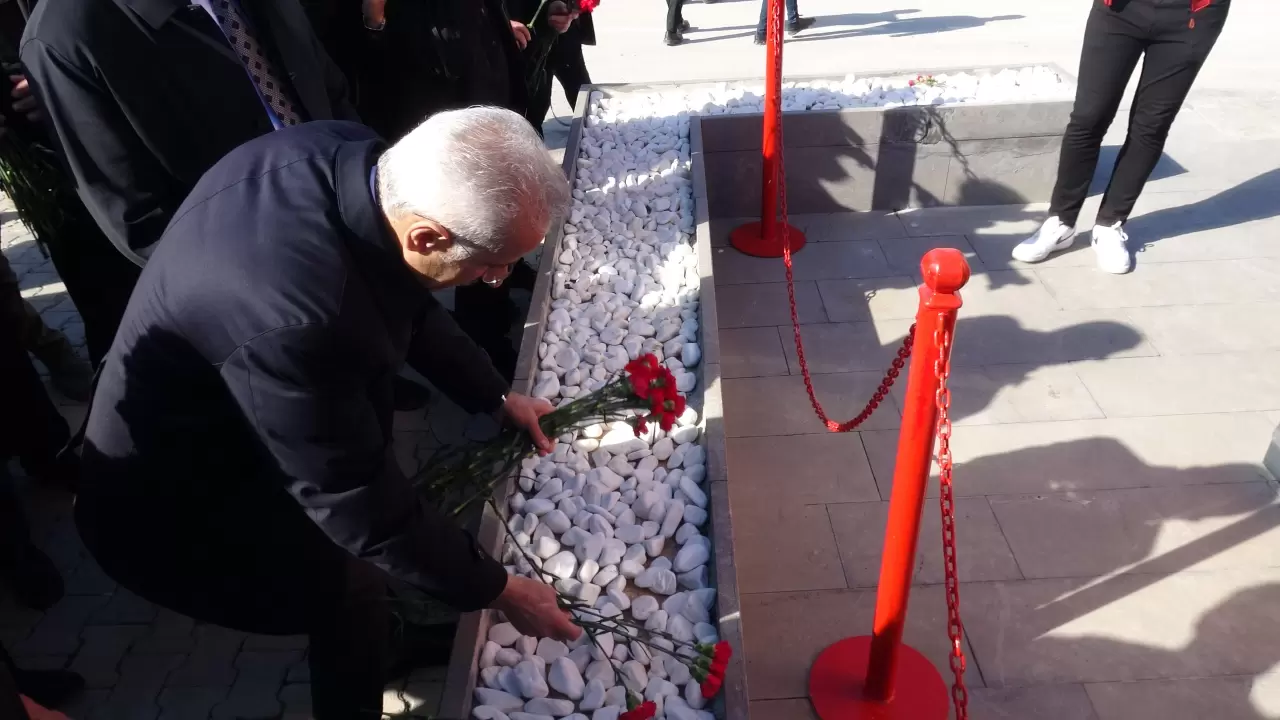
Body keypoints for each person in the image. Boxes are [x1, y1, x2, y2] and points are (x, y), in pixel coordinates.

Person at [75, 108, 581, 719]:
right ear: (427, 235)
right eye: (492, 264)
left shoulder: (350, 158)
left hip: (247, 417)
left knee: (362, 576)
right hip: (170, 503)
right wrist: (498, 589)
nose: (499, 280)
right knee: (343, 586)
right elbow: (357, 501)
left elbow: (408, 303)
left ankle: (386, 633)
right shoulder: (303, 319)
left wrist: (495, 397)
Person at [19, 0, 359, 268]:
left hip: (364, 233)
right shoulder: (64, 37)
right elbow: (141, 223)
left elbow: (329, 92)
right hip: (276, 288)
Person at [1012, 0, 1230, 274]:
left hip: (1192, 14)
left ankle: (1110, 224)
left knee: (1151, 126)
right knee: (1089, 117)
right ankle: (1061, 222)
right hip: (1120, 9)